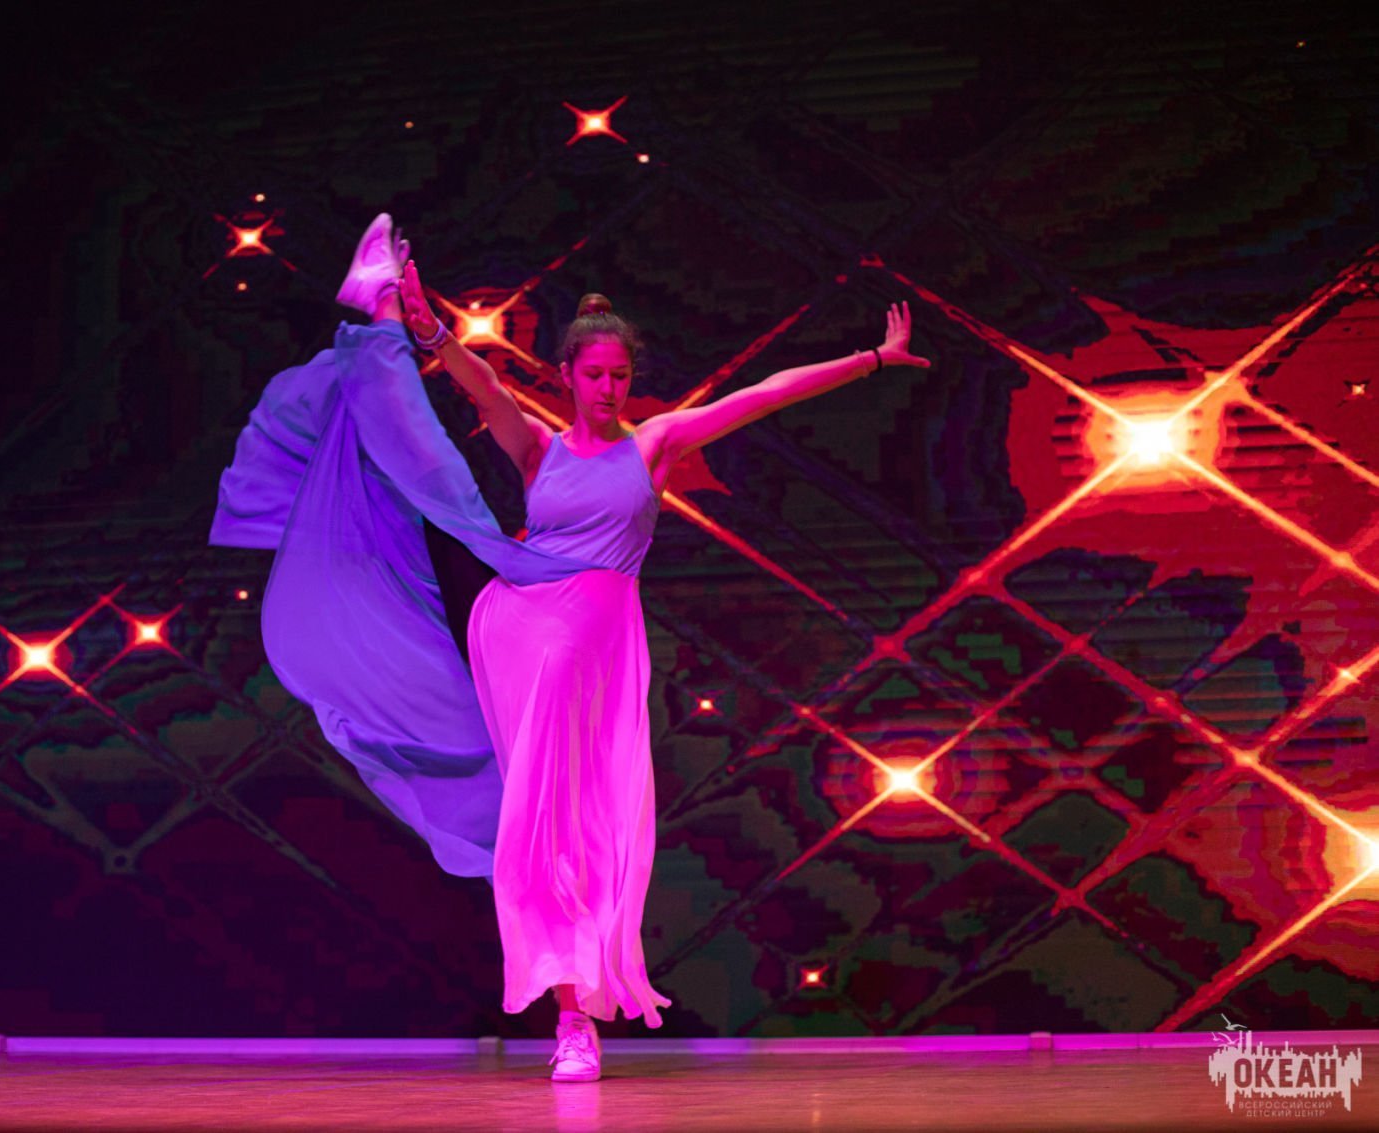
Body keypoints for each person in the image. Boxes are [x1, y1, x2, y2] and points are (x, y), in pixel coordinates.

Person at [210, 213, 929, 1082]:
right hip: (525, 634)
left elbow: (762, 395)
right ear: (568, 376)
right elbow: (482, 388)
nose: (610, 389)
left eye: (621, 375)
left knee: (585, 831)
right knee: (540, 820)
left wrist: (872, 359)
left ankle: (578, 1009)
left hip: (601, 658)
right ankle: (571, 1024)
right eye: (595, 375)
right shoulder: (539, 449)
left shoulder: (655, 446)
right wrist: (435, 331)